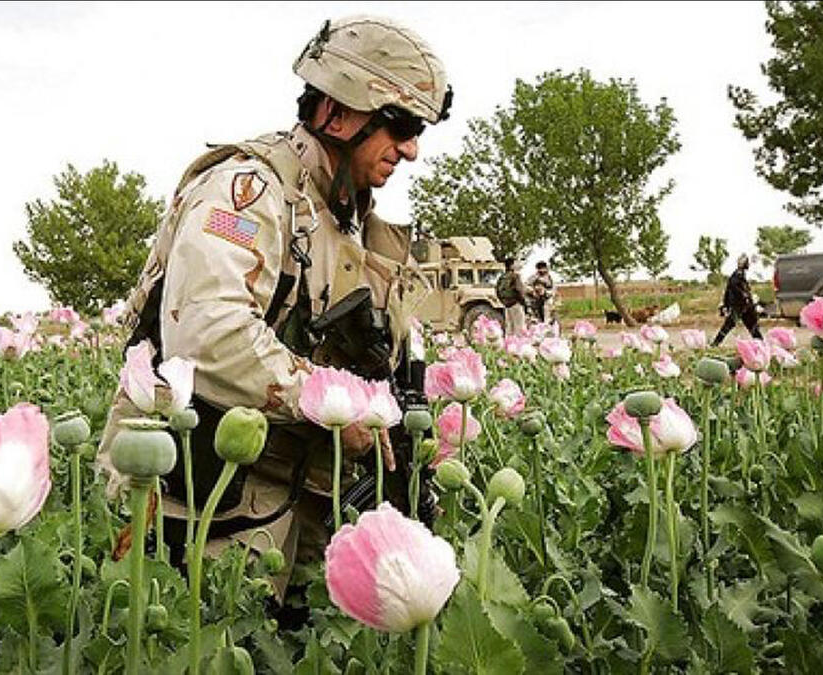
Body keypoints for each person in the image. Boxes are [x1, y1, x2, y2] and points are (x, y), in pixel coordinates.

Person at [95, 15, 453, 603]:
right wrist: (338, 404)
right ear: (336, 113)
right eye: (400, 125)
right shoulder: (248, 192)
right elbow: (208, 333)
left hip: (303, 489)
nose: (411, 150)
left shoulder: (351, 220)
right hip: (209, 488)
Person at [711, 253, 763, 346]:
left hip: (744, 307)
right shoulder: (736, 277)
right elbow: (735, 291)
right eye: (747, 263)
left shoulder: (739, 275)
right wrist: (746, 298)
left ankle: (761, 343)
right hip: (739, 307)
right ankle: (715, 344)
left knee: (751, 325)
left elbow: (730, 291)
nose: (748, 265)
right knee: (729, 326)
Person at [497, 257, 527, 335]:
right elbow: (519, 290)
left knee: (509, 327)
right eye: (515, 263)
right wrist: (524, 303)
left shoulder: (502, 277)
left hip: (507, 305)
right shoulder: (515, 276)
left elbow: (497, 291)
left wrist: (504, 302)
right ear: (512, 265)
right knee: (519, 327)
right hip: (516, 304)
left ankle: (509, 344)